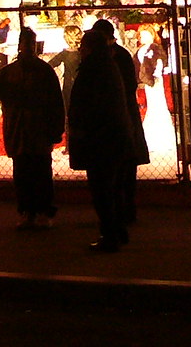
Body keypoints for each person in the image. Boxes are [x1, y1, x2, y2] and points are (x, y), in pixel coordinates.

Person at [0, 26, 65, 229]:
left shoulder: (41, 72)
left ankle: (41, 211)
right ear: (21, 46)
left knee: (40, 174)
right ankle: (28, 211)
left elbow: (56, 103)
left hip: (35, 130)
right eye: (26, 44)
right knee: (24, 174)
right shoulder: (18, 72)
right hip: (22, 129)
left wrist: (56, 129)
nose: (29, 48)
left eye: (31, 44)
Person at [68, 28, 134, 252]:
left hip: (101, 139)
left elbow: (90, 105)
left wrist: (82, 130)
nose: (80, 50)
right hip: (111, 136)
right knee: (111, 188)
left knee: (102, 190)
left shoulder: (94, 70)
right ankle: (117, 231)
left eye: (84, 46)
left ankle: (110, 234)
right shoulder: (107, 66)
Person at [90, 19, 149, 227]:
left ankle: (124, 209)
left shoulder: (114, 56)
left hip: (119, 116)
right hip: (123, 115)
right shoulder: (115, 55)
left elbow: (128, 84)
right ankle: (123, 208)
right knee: (122, 166)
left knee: (121, 167)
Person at [133, 24, 174, 154]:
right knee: (152, 105)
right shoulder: (140, 49)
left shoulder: (154, 47)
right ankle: (151, 138)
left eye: (147, 34)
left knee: (158, 105)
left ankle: (161, 139)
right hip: (147, 81)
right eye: (142, 35)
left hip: (154, 80)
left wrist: (157, 71)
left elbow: (160, 61)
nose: (145, 37)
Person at [47, 24, 82, 151]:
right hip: (80, 86)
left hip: (68, 87)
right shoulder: (82, 53)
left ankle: (69, 145)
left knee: (68, 116)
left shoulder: (65, 54)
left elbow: (51, 64)